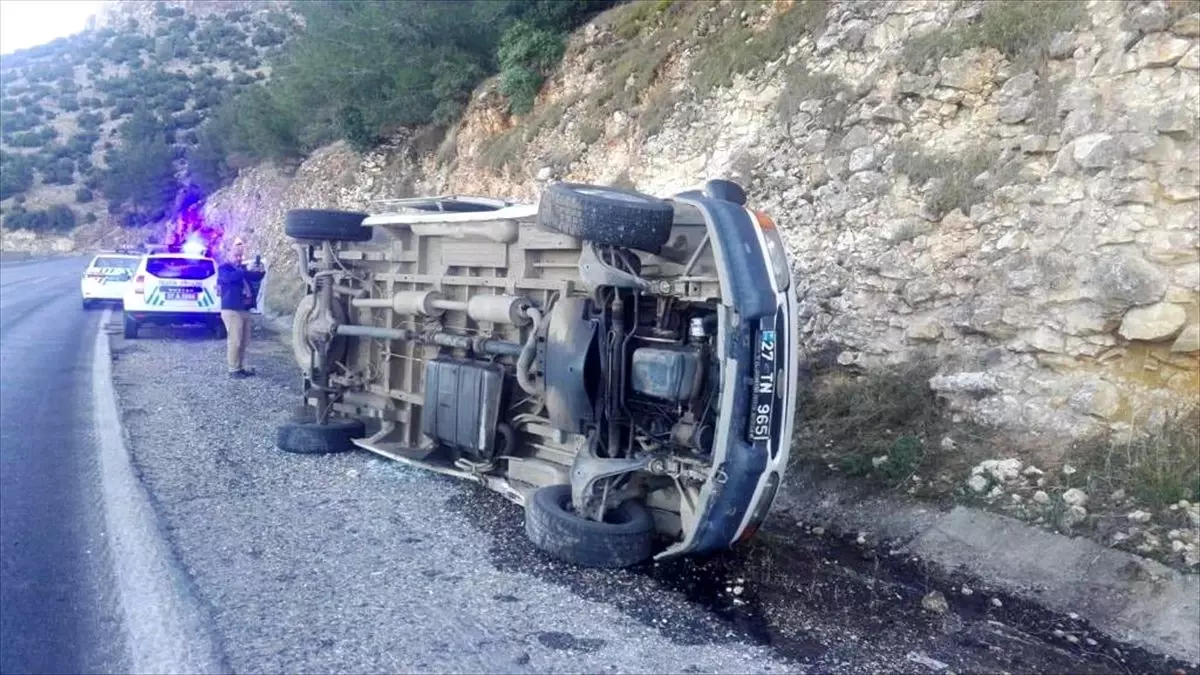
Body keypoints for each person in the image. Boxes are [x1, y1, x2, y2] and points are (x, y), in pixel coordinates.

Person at [217, 238, 266, 379]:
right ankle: (233, 369)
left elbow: (255, 277)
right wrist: (243, 270)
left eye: (240, 256)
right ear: (229, 255)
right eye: (236, 256)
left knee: (244, 341)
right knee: (235, 340)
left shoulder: (242, 269)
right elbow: (230, 278)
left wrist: (260, 270)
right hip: (231, 309)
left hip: (244, 308)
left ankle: (240, 367)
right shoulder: (224, 268)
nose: (238, 259)